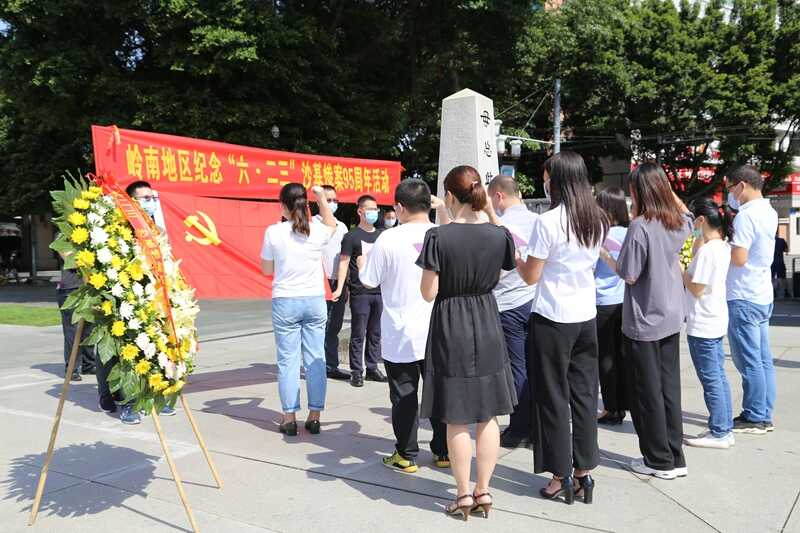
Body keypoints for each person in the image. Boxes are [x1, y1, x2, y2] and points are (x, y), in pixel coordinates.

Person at [417, 165, 517, 520]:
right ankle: (484, 490)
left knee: (457, 416)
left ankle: (462, 495)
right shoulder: (498, 235)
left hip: (451, 322)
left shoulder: (438, 237)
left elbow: (428, 292)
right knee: (488, 414)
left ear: (449, 195)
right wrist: (489, 210)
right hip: (487, 319)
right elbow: (505, 263)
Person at [517, 151, 608, 504]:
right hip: (586, 315)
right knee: (584, 395)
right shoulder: (597, 217)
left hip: (553, 316)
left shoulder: (548, 221)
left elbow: (531, 276)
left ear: (556, 180)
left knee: (553, 397)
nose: (544, 183)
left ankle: (559, 474)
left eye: (546, 177)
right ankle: (584, 471)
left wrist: (517, 258)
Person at [600, 163, 692, 480]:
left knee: (647, 393)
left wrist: (605, 255)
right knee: (669, 390)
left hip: (645, 319)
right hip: (671, 314)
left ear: (639, 191)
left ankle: (658, 460)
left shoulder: (640, 226)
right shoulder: (677, 221)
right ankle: (675, 456)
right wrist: (670, 194)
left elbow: (629, 273)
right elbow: (688, 214)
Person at [359, 179, 450, 473]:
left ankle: (407, 454)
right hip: (438, 329)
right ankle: (444, 451)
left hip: (400, 331)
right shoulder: (443, 235)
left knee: (404, 394)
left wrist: (361, 265)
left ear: (399, 207)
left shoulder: (388, 238)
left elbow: (369, 280)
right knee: (439, 393)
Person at [260, 183, 336, 436]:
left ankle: (289, 417)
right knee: (315, 358)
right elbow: (332, 223)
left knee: (288, 361)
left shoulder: (274, 232)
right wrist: (321, 197)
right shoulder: (317, 230)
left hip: (286, 300)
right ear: (306, 204)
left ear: (283, 206)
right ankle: (314, 416)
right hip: (314, 299)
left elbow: (267, 270)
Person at [116, 180, 176, 424]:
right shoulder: (123, 230)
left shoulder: (158, 230)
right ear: (132, 202)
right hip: (132, 297)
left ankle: (158, 397)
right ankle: (130, 403)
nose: (150, 202)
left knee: (159, 347)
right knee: (132, 350)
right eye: (145, 198)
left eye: (153, 198)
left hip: (157, 297)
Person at [725, 165, 779, 434]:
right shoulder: (769, 211)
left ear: (741, 185)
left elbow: (739, 258)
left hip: (744, 295)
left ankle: (755, 415)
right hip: (761, 293)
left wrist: (721, 247)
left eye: (730, 188)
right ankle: (764, 412)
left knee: (749, 361)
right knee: (763, 359)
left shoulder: (746, 216)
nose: (730, 194)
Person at [487, 175, 538, 449]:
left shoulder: (500, 227)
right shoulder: (538, 221)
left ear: (498, 196)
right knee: (534, 366)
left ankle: (519, 428)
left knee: (517, 367)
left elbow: (495, 269)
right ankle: (535, 425)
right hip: (534, 300)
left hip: (508, 303)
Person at [682, 198, 735, 449]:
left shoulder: (708, 252)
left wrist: (680, 270)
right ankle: (723, 427)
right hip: (714, 319)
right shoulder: (721, 246)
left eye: (693, 220)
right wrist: (696, 239)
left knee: (711, 379)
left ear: (701, 220)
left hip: (703, 322)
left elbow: (697, 288)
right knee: (718, 377)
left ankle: (720, 431)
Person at [332, 195, 387, 387]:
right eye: (369, 209)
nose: (373, 212)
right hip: (360, 292)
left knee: (376, 331)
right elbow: (344, 263)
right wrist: (340, 288)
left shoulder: (382, 236)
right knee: (358, 332)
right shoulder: (351, 236)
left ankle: (372, 368)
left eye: (375, 209)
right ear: (360, 211)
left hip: (380, 291)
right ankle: (357, 371)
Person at [594, 187, 630, 426]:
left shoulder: (599, 236)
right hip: (624, 301)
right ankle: (623, 403)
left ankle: (611, 408)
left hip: (602, 301)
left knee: (606, 358)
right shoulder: (630, 233)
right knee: (621, 355)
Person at [313, 185, 350, 380]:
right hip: (319, 281)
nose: (333, 204)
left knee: (334, 326)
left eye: (335, 200)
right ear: (319, 201)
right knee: (319, 326)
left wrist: (345, 285)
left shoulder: (342, 226)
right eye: (328, 200)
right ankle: (317, 365)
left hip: (339, 281)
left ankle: (332, 365)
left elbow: (346, 257)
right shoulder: (312, 223)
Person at [56, 258, 96, 382]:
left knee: (89, 329)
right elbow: (69, 259)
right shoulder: (64, 244)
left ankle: (88, 364)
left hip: (89, 286)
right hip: (70, 289)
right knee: (72, 331)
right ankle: (71, 368)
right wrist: (89, 259)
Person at [772, 231, 789, 298]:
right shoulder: (781, 240)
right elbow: (786, 250)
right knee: (783, 277)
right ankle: (786, 292)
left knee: (772, 278)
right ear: (777, 234)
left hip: (771, 263)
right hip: (780, 262)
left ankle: (774, 292)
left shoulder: (769, 241)